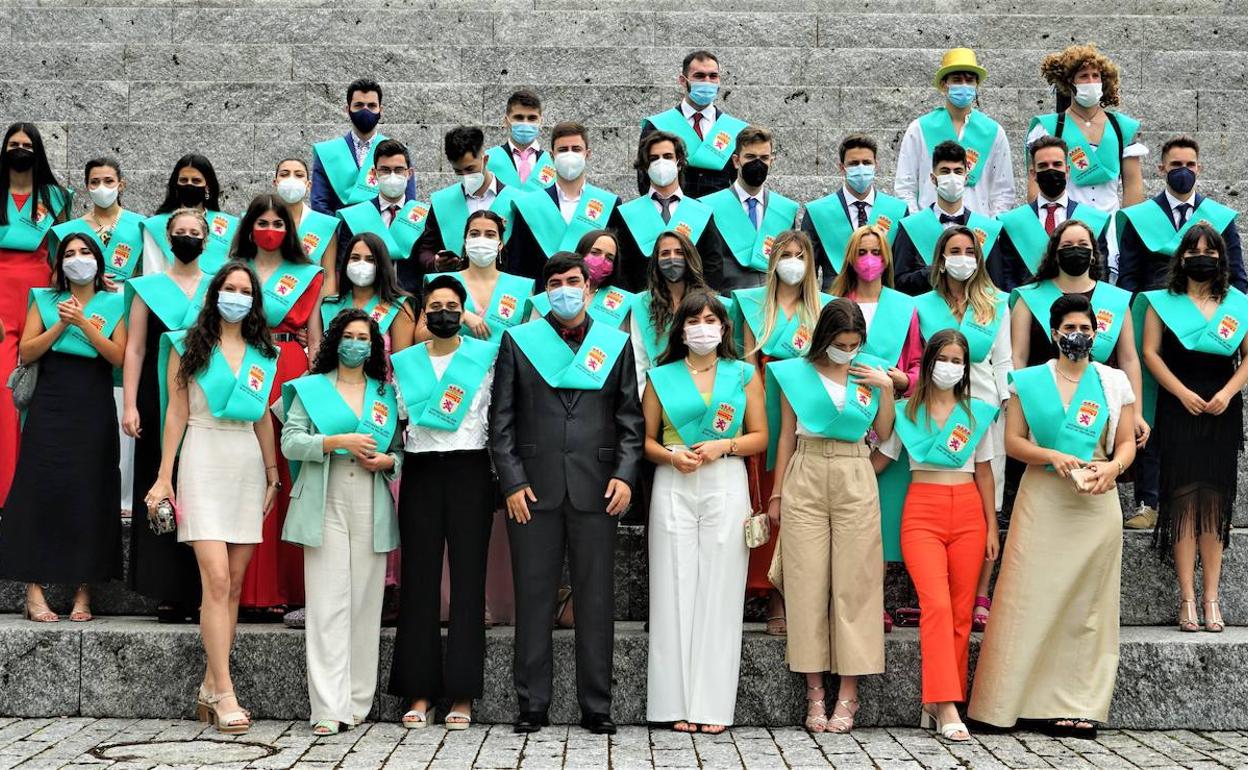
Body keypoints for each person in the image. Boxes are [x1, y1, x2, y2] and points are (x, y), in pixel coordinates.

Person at [968, 294, 1137, 738]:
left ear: (1096, 335)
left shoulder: (1113, 381)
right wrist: (1051, 455)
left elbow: (1126, 443)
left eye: (1086, 328)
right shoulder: (1028, 381)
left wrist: (1113, 467)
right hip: (1042, 496)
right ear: (1054, 331)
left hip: (1095, 501)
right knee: (1026, 597)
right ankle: (1007, 700)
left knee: (1088, 608)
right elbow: (1014, 442)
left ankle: (1078, 703)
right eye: (1070, 328)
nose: (1077, 336)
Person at [490, 252, 644, 735]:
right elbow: (501, 422)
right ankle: (532, 703)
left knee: (596, 600)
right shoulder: (520, 342)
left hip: (598, 489)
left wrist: (624, 474)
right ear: (544, 291)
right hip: (532, 491)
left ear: (589, 288)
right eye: (555, 282)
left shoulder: (613, 344)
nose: (564, 289)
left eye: (573, 281)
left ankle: (596, 705)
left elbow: (630, 421)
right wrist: (512, 481)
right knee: (533, 597)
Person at [145, 262, 281, 735]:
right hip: (202, 456)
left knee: (237, 583)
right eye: (230, 288)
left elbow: (262, 415)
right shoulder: (187, 344)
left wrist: (271, 475)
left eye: (246, 290)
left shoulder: (265, 352)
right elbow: (175, 414)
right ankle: (225, 693)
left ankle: (209, 684)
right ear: (214, 292)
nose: (237, 296)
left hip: (245, 459)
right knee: (216, 580)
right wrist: (164, 477)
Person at [767, 298, 896, 734]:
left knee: (854, 584)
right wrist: (776, 494)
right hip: (805, 468)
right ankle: (815, 690)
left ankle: (849, 693)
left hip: (855, 470)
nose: (848, 350)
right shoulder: (797, 373)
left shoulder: (868, 371)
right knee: (806, 583)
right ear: (824, 337)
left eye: (855, 343)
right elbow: (785, 435)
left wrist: (887, 389)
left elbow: (885, 433)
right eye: (841, 343)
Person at [642, 291, 767, 734]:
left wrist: (722, 445)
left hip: (725, 478)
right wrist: (672, 456)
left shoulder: (743, 374)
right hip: (674, 479)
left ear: (724, 327)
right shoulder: (661, 377)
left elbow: (760, 437)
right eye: (694, 320)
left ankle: (712, 706)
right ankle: (671, 702)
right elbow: (647, 440)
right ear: (682, 328)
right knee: (672, 588)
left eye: (712, 319)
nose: (703, 327)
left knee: (721, 592)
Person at [278, 309, 401, 736]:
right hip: (324, 497)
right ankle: (328, 707)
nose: (355, 344)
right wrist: (335, 441)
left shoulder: (384, 393)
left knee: (366, 604)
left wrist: (389, 461)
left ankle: (357, 701)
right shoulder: (310, 389)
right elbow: (290, 441)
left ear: (374, 347)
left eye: (363, 338)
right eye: (348, 336)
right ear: (335, 341)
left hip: (370, 497)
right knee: (328, 603)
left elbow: (400, 451)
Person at [875, 330, 999, 742]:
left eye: (957, 360)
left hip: (968, 510)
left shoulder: (977, 412)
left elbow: (984, 470)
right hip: (922, 510)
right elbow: (883, 457)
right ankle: (944, 703)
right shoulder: (906, 410)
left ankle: (945, 701)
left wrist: (991, 526)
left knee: (963, 614)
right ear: (928, 362)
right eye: (943, 358)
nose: (950, 366)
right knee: (937, 607)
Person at [389, 276, 499, 731]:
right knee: (419, 582)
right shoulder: (404, 363)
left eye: (453, 305)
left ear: (464, 311)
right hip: (422, 471)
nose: (444, 313)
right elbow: (396, 421)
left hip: (470, 470)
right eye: (435, 305)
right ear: (423, 313)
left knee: (469, 583)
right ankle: (419, 691)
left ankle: (462, 694)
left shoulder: (484, 360)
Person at [0, 234, 125, 622]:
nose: (77, 259)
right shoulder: (43, 298)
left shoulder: (116, 302)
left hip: (93, 401)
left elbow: (118, 356)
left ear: (98, 261)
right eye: (69, 254)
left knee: (91, 489)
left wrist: (84, 324)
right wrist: (60, 326)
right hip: (50, 403)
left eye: (85, 252)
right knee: (39, 487)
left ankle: (83, 592)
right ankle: (33, 591)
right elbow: (27, 351)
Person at [1138, 223, 1248, 634]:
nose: (1202, 255)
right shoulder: (1161, 302)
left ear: (1221, 258)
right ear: (1181, 257)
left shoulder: (1237, 303)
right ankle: (1186, 597)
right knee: (1183, 502)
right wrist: (1181, 392)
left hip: (1222, 406)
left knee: (1215, 505)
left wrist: (1228, 391)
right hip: (1178, 404)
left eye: (1211, 249)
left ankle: (1211, 597)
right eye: (1194, 249)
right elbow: (1149, 352)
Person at [1008, 221, 1148, 528]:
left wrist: (1135, 411)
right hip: (1044, 403)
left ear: (1095, 254)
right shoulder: (1028, 296)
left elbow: (1129, 359)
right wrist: (1017, 400)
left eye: (1083, 246)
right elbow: (1016, 355)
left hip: (1096, 405)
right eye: (1067, 246)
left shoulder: (1115, 299)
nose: (1076, 252)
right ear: (1054, 253)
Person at [732, 230, 831, 635]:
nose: (793, 262)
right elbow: (748, 363)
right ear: (772, 263)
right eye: (785, 255)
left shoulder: (822, 309)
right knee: (766, 506)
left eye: (800, 255)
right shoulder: (755, 307)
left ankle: (793, 597)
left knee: (799, 509)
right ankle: (766, 593)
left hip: (805, 414)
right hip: (764, 412)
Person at [914, 227, 1012, 631]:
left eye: (969, 251)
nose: (962, 257)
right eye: (954, 250)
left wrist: (1006, 407)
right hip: (935, 403)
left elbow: (1004, 361)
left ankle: (981, 592)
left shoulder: (996, 304)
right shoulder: (920, 305)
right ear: (940, 258)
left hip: (983, 408)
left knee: (989, 497)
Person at [233, 194, 325, 617]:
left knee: (288, 473)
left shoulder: (306, 276)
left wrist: (313, 377)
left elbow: (315, 336)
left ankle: (290, 587)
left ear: (290, 231)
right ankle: (251, 589)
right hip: (246, 364)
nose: (271, 229)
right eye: (262, 221)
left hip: (290, 368)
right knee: (251, 468)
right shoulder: (234, 273)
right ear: (249, 226)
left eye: (279, 223)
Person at [122, 209, 213, 623]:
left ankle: (200, 589)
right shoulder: (147, 288)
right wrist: (129, 403)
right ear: (167, 238)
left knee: (198, 488)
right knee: (161, 483)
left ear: (206, 241)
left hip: (205, 397)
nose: (187, 237)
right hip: (156, 397)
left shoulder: (216, 289)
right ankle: (166, 589)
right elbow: (136, 347)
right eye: (180, 232)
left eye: (194, 232)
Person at [829, 226, 923, 583]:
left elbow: (917, 367)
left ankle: (877, 596)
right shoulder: (834, 304)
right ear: (851, 259)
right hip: (845, 413)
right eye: (863, 253)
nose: (870, 261)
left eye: (877, 253)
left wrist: (904, 381)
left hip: (888, 417)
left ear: (887, 260)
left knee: (883, 510)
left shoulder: (905, 307)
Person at [1026, 44, 1146, 276]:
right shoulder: (1049, 126)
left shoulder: (1122, 127)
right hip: (1064, 224)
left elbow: (1133, 185)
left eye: (1096, 76)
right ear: (1070, 82)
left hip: (1109, 226)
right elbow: (1034, 187)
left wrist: (1125, 232)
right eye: (1083, 76)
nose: (1091, 81)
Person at [0, 122, 70, 508]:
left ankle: (30, 490)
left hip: (38, 299)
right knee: (3, 393)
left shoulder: (57, 198)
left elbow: (64, 252)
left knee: (38, 388)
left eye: (27, 144)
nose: (20, 149)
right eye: (14, 143)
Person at [1117, 136, 1246, 294]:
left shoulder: (1221, 217)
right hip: (1157, 310)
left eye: (1190, 165)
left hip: (1207, 310)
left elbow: (1236, 275)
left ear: (1199, 168)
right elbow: (1128, 277)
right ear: (1161, 168)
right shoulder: (1139, 217)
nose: (1184, 170)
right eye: (1176, 164)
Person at [895, 48, 1014, 218]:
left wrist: (990, 231)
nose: (964, 85)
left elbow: (1003, 192)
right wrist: (918, 229)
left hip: (978, 234)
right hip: (929, 232)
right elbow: (905, 187)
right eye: (957, 80)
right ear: (944, 85)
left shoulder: (994, 132)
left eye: (970, 80)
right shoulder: (919, 129)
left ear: (976, 85)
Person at [507, 121, 626, 281]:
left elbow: (619, 264)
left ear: (587, 154)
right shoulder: (529, 206)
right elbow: (517, 265)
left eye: (576, 149)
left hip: (592, 298)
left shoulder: (609, 204)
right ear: (551, 155)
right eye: (563, 150)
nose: (570, 155)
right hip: (543, 299)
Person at [892, 141, 1005, 296]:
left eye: (958, 171)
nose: (952, 177)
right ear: (933, 178)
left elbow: (997, 287)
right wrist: (932, 272)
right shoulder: (910, 227)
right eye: (945, 171)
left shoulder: (986, 228)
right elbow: (898, 285)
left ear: (965, 178)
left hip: (972, 316)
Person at [998, 136, 1110, 290]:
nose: (1051, 170)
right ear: (1033, 173)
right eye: (1043, 166)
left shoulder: (1093, 220)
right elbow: (1007, 275)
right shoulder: (1013, 222)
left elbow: (1100, 273)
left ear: (1067, 170)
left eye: (1057, 164)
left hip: (1080, 307)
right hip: (1029, 307)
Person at [617, 131, 725, 291]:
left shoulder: (700, 212)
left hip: (692, 306)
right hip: (644, 304)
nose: (661, 163)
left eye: (667, 156)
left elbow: (713, 264)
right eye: (654, 158)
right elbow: (622, 267)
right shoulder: (627, 214)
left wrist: (700, 302)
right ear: (645, 167)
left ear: (679, 163)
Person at [803, 134, 908, 289]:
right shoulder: (818, 212)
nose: (861, 168)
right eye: (853, 163)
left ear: (875, 165)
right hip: (834, 301)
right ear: (841, 167)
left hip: (882, 300)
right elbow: (808, 272)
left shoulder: (897, 210)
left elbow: (902, 269)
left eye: (866, 162)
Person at [701, 125, 800, 291]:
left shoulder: (785, 209)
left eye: (764, 158)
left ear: (771, 161)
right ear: (736, 161)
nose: (758, 163)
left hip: (772, 305)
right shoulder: (709, 207)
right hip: (727, 305)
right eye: (750, 157)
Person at [415, 127, 521, 277]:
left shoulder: (515, 201)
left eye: (471, 169)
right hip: (455, 290)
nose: (466, 176)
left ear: (485, 160)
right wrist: (435, 262)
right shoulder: (442, 202)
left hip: (501, 288)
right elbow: (426, 251)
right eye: (459, 172)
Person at [638, 50, 744, 198]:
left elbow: (740, 182)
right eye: (699, 76)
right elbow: (644, 181)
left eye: (713, 76)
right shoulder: (656, 126)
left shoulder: (735, 130)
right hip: (675, 214)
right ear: (683, 80)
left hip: (719, 214)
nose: (707, 81)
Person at [333, 139, 429, 293]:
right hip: (366, 302)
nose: (392, 176)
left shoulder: (426, 215)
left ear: (409, 173)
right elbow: (344, 264)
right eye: (385, 170)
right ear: (374, 173)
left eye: (398, 170)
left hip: (410, 303)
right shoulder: (355, 216)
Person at [310, 78, 414, 215]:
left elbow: (408, 201)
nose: (366, 111)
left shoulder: (397, 151)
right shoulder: (327, 154)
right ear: (348, 109)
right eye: (359, 105)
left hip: (384, 231)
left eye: (372, 106)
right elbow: (320, 204)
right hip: (341, 232)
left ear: (380, 110)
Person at [429, 211, 534, 348]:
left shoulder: (522, 287)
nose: (481, 240)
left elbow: (528, 341)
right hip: (453, 366)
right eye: (474, 234)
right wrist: (458, 315)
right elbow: (419, 337)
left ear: (500, 243)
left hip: (504, 367)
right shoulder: (440, 283)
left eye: (490, 235)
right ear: (465, 241)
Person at [630, 230, 712, 393]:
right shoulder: (641, 304)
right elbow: (640, 361)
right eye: (665, 253)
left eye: (679, 252)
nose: (672, 259)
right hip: (660, 392)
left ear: (690, 257)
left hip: (706, 390)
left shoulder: (712, 303)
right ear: (656, 260)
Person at [50, 157, 144, 283]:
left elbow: (149, 271)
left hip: (128, 298)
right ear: (87, 186)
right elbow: (56, 279)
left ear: (120, 185)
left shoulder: (140, 225)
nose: (101, 187)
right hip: (85, 299)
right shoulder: (70, 230)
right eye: (94, 182)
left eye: (108, 181)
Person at [141, 153, 238, 275]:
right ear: (176, 185)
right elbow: (152, 273)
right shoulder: (155, 226)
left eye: (196, 181)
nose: (189, 184)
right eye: (183, 180)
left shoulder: (231, 226)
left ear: (207, 186)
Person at [319, 232, 416, 353]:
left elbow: (402, 365)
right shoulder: (329, 305)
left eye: (370, 260)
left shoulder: (399, 308)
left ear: (382, 265)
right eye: (355, 258)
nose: (362, 264)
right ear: (346, 262)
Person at [530, 229, 637, 328]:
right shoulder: (546, 299)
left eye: (609, 258)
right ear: (581, 252)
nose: (601, 260)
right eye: (595, 252)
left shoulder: (622, 303)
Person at [273, 158, 340, 293]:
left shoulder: (325, 225)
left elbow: (328, 276)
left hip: (310, 307)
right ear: (275, 183)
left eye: (299, 175)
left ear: (308, 185)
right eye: (284, 174)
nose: (291, 179)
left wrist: (324, 312)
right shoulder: (258, 222)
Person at [484, 90, 557, 194]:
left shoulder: (553, 162)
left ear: (541, 121)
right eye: (519, 117)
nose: (525, 123)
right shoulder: (488, 159)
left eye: (532, 118)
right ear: (506, 121)